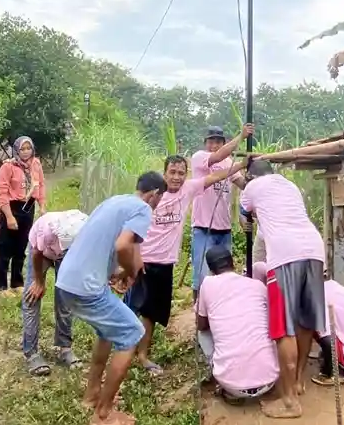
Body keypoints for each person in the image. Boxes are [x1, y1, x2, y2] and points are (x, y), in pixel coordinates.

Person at [54, 172, 166, 425]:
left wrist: (121, 271)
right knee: (132, 334)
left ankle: (92, 395)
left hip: (68, 281)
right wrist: (126, 270)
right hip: (87, 288)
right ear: (154, 194)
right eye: (160, 198)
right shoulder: (142, 209)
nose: (158, 204)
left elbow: (121, 247)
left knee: (108, 331)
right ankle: (103, 413)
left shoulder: (115, 201)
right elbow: (123, 246)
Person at [128, 154, 250, 376]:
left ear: (187, 175)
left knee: (150, 313)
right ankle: (123, 351)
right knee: (131, 308)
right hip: (142, 260)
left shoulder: (188, 190)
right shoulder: (153, 196)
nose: (176, 177)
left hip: (165, 263)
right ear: (164, 173)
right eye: (172, 172)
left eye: (181, 173)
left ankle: (142, 355)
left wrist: (241, 164)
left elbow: (216, 176)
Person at [239, 159, 326, 419]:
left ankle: (288, 401)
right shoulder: (290, 186)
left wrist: (247, 214)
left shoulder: (251, 187)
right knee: (305, 320)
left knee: (283, 328)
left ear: (250, 175)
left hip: (285, 254)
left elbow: (245, 218)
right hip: (314, 249)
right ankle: (297, 381)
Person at [195, 246, 279, 405]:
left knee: (202, 333)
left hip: (231, 385)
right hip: (270, 380)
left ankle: (218, 375)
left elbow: (201, 325)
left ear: (211, 270)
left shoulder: (208, 284)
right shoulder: (258, 286)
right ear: (233, 264)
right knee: (263, 325)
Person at [190, 123, 254, 302]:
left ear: (222, 142)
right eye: (211, 142)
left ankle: (220, 307)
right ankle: (199, 314)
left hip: (224, 229)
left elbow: (242, 184)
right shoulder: (200, 158)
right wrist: (241, 137)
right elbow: (218, 157)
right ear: (205, 143)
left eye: (218, 142)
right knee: (202, 277)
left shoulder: (229, 163)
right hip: (204, 228)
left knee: (224, 276)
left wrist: (251, 176)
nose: (214, 145)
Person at [22, 208, 89, 376]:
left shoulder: (86, 231)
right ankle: (31, 352)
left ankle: (64, 348)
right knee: (32, 296)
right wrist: (39, 281)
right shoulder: (48, 230)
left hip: (65, 256)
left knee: (65, 298)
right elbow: (37, 254)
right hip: (42, 251)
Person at [0, 135, 47, 293]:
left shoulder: (36, 164)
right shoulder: (8, 167)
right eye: (22, 149)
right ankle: (1, 286)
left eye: (28, 148)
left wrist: (42, 206)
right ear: (16, 150)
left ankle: (17, 283)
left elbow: (41, 186)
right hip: (11, 207)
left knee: (21, 247)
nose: (25, 152)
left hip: (28, 207)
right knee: (5, 247)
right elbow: (2, 192)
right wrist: (9, 217)